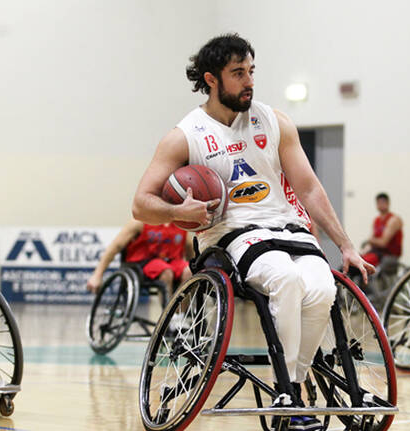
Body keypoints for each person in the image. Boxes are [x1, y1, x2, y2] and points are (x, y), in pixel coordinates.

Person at [131, 33, 372, 431]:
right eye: (238, 73)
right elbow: (140, 202)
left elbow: (309, 188)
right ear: (211, 79)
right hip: (229, 236)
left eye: (251, 71)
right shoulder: (185, 135)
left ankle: (291, 386)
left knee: (323, 288)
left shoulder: (274, 121)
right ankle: (289, 396)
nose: (249, 81)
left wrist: (346, 245)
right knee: (286, 279)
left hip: (286, 225)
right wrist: (178, 209)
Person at [86, 220, 191, 296]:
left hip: (172, 262)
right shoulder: (140, 222)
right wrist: (97, 274)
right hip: (142, 264)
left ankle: (181, 315)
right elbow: (115, 247)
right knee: (166, 272)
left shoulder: (180, 224)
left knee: (189, 271)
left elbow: (191, 251)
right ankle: (169, 317)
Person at [361, 193, 403, 267]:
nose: (381, 205)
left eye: (383, 202)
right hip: (377, 252)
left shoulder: (393, 220)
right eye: (379, 203)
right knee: (359, 259)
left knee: (365, 263)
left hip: (389, 255)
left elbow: (383, 243)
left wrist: (371, 240)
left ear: (388, 203)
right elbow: (372, 240)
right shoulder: (377, 220)